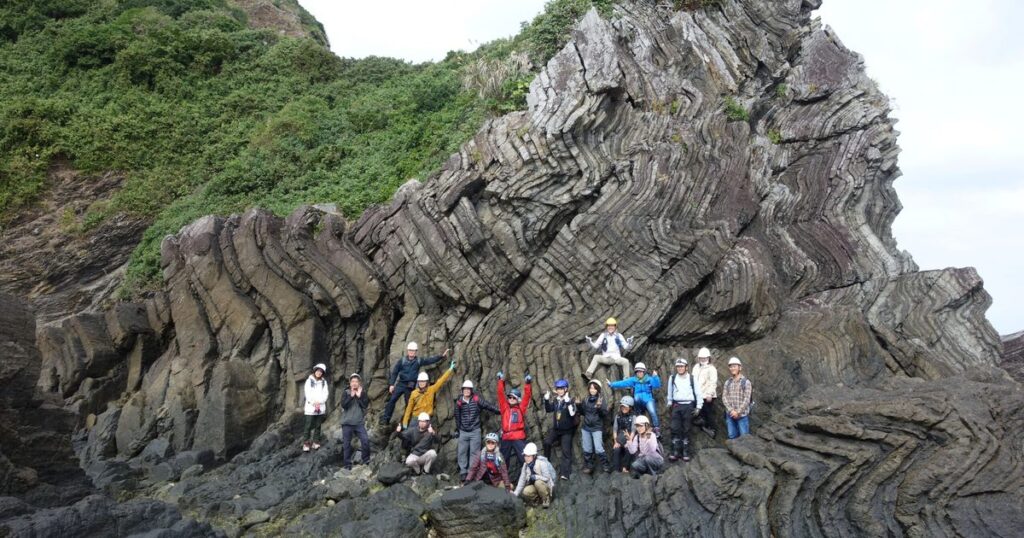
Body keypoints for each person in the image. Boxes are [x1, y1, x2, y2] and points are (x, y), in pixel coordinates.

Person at [380, 342, 450, 426]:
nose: (412, 352)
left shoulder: (418, 361)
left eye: (413, 351)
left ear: (416, 351)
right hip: (401, 384)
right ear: (407, 351)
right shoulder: (402, 361)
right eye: (410, 350)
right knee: (392, 400)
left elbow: (429, 360)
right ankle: (385, 419)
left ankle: (405, 423)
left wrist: (441, 356)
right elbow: (395, 372)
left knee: (408, 405)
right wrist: (392, 384)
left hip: (410, 386)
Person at [453, 379, 500, 481]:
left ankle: (471, 472)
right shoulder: (459, 403)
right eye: (465, 389)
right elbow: (457, 416)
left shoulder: (476, 399)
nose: (466, 391)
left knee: (474, 453)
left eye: (468, 389)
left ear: (471, 390)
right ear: (462, 390)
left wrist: (499, 411)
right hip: (464, 431)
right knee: (462, 452)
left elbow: (487, 405)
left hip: (475, 430)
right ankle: (463, 472)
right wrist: (459, 429)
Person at [399, 360, 456, 431]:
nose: (421, 383)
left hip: (426, 418)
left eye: (423, 381)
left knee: (426, 438)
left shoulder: (431, 390)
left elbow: (441, 381)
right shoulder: (414, 393)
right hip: (416, 419)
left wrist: (450, 369)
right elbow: (409, 409)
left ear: (426, 382)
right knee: (411, 438)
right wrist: (405, 422)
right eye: (420, 381)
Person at [497, 370, 533, 480]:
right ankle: (502, 480)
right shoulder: (504, 407)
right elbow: (500, 393)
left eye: (514, 398)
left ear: (517, 399)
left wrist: (527, 384)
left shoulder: (521, 408)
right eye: (510, 397)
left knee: (524, 458)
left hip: (518, 437)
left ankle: (530, 477)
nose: (511, 399)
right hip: (506, 437)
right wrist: (500, 381)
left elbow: (527, 396)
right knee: (503, 459)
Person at [607, 363, 662, 434]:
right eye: (638, 371)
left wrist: (655, 377)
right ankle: (639, 415)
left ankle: (656, 428)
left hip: (648, 399)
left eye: (641, 371)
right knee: (636, 398)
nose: (639, 373)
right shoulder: (634, 380)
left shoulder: (649, 379)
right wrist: (612, 384)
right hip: (638, 402)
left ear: (644, 372)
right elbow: (623, 383)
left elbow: (657, 385)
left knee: (652, 412)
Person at [665, 358, 702, 462]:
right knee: (674, 428)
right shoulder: (672, 378)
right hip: (676, 405)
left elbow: (698, 393)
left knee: (686, 429)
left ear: (686, 367)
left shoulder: (691, 378)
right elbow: (670, 391)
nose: (680, 368)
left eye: (681, 366)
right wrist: (669, 402)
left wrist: (698, 407)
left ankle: (685, 452)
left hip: (688, 405)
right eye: (678, 367)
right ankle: (675, 451)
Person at [542, 379, 577, 480]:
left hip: (567, 431)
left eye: (561, 389)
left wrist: (569, 402)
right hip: (556, 430)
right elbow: (549, 409)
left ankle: (565, 473)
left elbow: (572, 414)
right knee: (547, 442)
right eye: (558, 389)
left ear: (566, 389)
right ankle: (546, 463)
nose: (559, 391)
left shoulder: (570, 400)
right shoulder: (557, 401)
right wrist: (546, 400)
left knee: (566, 452)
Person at [340, 373, 371, 468]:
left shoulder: (363, 393)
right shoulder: (346, 392)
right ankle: (347, 464)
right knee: (346, 444)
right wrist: (351, 396)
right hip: (347, 423)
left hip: (359, 423)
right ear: (350, 383)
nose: (354, 383)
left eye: (356, 381)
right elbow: (344, 405)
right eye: (352, 381)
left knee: (365, 440)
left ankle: (366, 460)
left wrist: (359, 396)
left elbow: (365, 405)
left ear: (359, 383)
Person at [579, 380, 610, 474]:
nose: (592, 390)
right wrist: (578, 406)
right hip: (586, 427)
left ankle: (606, 465)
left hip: (596, 427)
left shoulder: (601, 400)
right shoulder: (586, 399)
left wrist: (599, 407)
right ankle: (589, 466)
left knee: (598, 448)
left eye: (594, 388)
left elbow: (604, 414)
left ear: (598, 389)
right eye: (591, 388)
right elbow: (582, 413)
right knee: (587, 448)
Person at [513, 442, 557, 508]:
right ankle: (538, 499)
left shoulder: (542, 463)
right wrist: (515, 494)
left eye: (528, 456)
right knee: (526, 491)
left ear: (534, 456)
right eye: (525, 455)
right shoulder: (525, 466)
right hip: (536, 487)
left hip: (546, 487)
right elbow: (521, 481)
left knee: (538, 482)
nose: (526, 458)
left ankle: (546, 499)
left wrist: (536, 477)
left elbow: (547, 478)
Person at [722, 357, 753, 439]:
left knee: (744, 438)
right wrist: (731, 411)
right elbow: (724, 398)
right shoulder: (727, 382)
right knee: (732, 436)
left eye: (734, 366)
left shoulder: (746, 382)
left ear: (740, 367)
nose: (732, 368)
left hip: (742, 415)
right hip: (730, 415)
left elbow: (747, 399)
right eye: (731, 366)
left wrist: (738, 412)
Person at [691, 347, 718, 438]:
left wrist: (709, 394)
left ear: (708, 358)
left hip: (707, 395)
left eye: (705, 358)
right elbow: (693, 380)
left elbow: (713, 382)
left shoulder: (711, 369)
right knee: (698, 412)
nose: (703, 360)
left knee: (708, 412)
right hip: (698, 394)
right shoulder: (696, 367)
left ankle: (712, 429)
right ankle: (704, 426)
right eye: (701, 358)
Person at [302, 363, 329, 452]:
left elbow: (326, 393)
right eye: (318, 370)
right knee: (308, 425)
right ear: (315, 370)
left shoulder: (324, 382)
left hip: (320, 407)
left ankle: (316, 441)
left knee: (318, 425)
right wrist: (314, 402)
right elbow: (307, 393)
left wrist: (320, 402)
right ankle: (306, 443)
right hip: (310, 407)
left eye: (321, 371)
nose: (319, 373)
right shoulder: (309, 381)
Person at [611, 396, 637, 473]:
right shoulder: (618, 416)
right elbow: (615, 430)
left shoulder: (633, 416)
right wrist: (616, 442)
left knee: (628, 449)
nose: (623, 408)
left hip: (629, 436)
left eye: (626, 407)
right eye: (622, 406)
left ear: (630, 407)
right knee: (616, 449)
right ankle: (616, 469)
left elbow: (633, 430)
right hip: (620, 437)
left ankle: (625, 467)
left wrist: (629, 441)